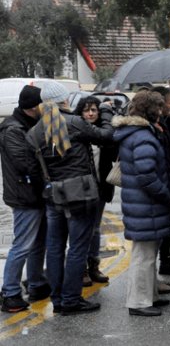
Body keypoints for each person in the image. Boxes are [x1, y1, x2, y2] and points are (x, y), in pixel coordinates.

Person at [26, 81, 113, 315]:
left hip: (54, 193)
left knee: (54, 247)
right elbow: (105, 136)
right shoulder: (74, 122)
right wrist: (105, 111)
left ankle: (59, 299)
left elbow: (33, 167)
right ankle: (72, 299)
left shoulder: (35, 131)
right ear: (65, 100)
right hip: (81, 193)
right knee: (77, 248)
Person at [112, 91, 170, 317]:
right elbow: (147, 176)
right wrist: (167, 195)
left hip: (143, 204)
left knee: (148, 253)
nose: (162, 111)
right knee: (144, 256)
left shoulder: (138, 133)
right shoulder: (143, 137)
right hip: (146, 204)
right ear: (151, 111)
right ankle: (138, 302)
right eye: (159, 108)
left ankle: (149, 296)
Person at [0, 86, 51, 313]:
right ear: (34, 108)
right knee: (22, 245)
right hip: (24, 196)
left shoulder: (28, 124)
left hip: (34, 194)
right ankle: (9, 293)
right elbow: (24, 163)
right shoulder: (13, 129)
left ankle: (37, 283)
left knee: (37, 242)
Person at [73, 96, 114, 286]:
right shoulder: (77, 132)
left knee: (95, 229)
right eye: (86, 110)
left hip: (100, 188)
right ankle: (80, 270)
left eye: (94, 110)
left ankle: (93, 266)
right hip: (80, 190)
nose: (90, 113)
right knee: (81, 231)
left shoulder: (104, 135)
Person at [150, 86, 170, 278]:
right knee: (159, 229)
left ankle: (166, 259)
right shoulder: (154, 128)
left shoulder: (165, 123)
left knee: (167, 225)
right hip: (163, 183)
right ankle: (161, 264)